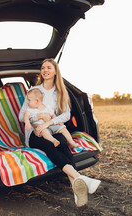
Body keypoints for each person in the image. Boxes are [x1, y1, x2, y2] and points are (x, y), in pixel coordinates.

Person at [19, 58, 101, 207]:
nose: (45, 70)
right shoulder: (34, 92)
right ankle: (80, 179)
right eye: (43, 68)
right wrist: (37, 116)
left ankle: (78, 188)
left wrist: (49, 122)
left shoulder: (60, 92)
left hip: (51, 128)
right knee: (50, 144)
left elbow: (66, 116)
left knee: (62, 141)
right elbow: (21, 115)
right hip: (35, 132)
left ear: (55, 71)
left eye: (49, 67)